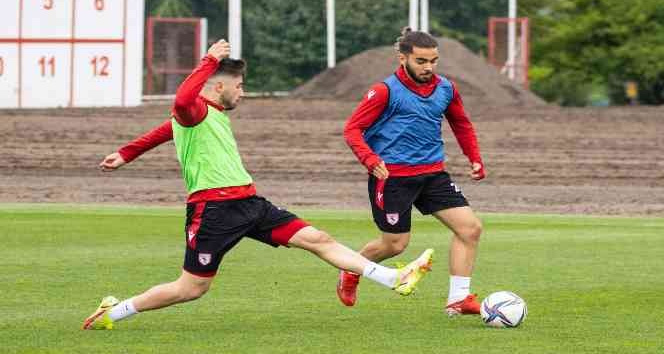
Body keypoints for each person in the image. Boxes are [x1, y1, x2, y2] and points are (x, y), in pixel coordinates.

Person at [82, 39, 434, 330]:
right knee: (191, 288)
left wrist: (125, 154)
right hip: (214, 211)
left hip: (250, 203)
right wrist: (208, 59)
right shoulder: (194, 111)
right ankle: (114, 311)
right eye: (239, 86)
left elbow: (161, 132)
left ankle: (392, 278)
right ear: (218, 85)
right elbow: (179, 103)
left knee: (318, 239)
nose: (243, 92)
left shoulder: (205, 115)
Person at [338, 28, 486, 316]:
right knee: (394, 245)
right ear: (402, 58)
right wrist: (370, 159)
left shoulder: (446, 88)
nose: (428, 67)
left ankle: (458, 300)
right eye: (421, 61)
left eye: (433, 61)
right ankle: (350, 268)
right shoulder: (384, 91)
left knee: (470, 229)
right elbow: (352, 129)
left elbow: (462, 123)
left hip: (433, 174)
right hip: (392, 177)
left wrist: (474, 158)